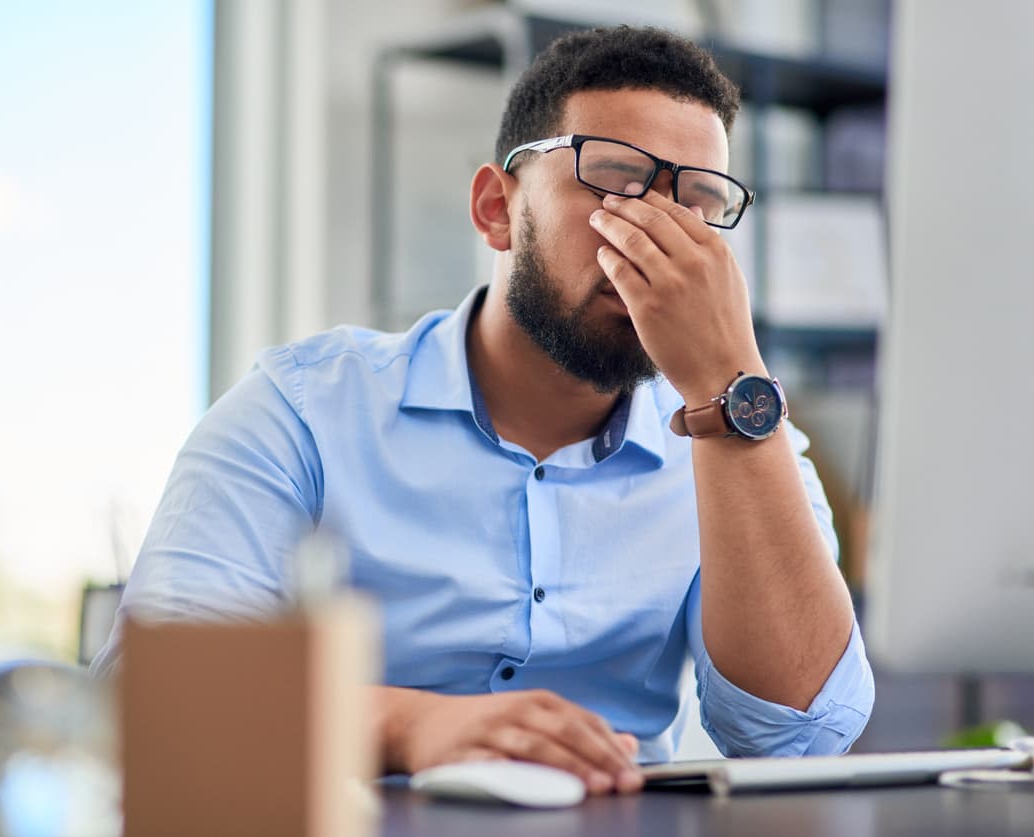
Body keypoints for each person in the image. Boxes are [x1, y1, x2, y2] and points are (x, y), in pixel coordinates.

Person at [93, 25, 874, 796]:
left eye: (699, 204)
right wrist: (408, 725)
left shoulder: (741, 435)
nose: (659, 237)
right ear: (498, 209)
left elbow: (800, 736)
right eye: (614, 179)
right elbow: (147, 701)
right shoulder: (301, 412)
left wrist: (729, 384)